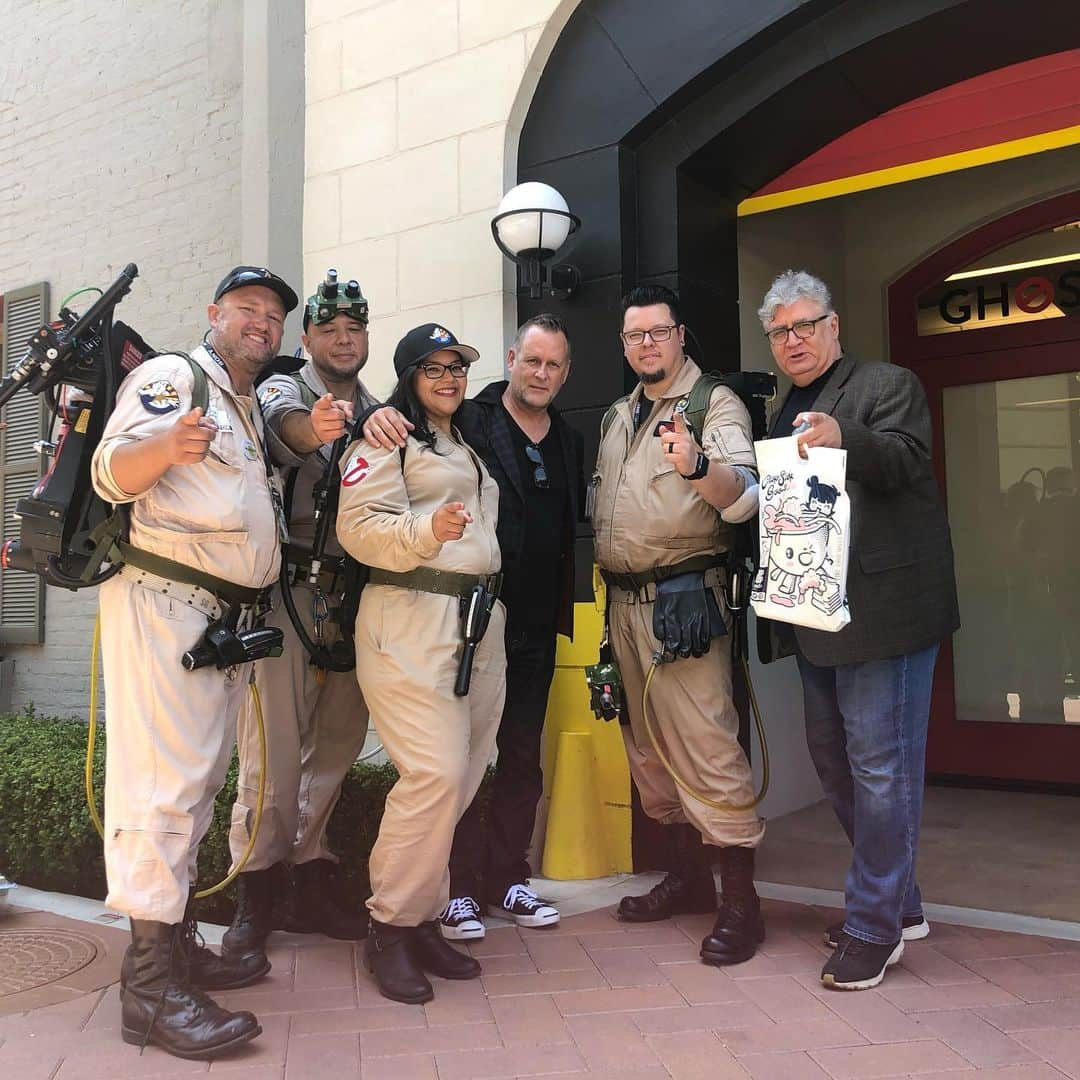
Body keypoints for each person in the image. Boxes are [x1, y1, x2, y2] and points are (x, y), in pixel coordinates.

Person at [90, 266, 299, 1058]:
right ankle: (146, 994)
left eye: (274, 315)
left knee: (198, 786)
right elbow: (113, 473)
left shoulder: (243, 403)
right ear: (214, 313)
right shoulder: (174, 376)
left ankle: (174, 952)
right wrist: (165, 445)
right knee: (163, 789)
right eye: (248, 309)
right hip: (166, 608)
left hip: (215, 623)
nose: (262, 323)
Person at [757, 268, 959, 990]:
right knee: (839, 765)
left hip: (887, 613)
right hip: (816, 613)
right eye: (780, 331)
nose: (794, 340)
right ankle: (900, 906)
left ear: (835, 327)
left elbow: (906, 460)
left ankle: (874, 926)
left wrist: (844, 436)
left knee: (881, 768)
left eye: (806, 325)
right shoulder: (783, 408)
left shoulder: (885, 384)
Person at [362, 313, 583, 940]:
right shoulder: (472, 419)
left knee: (518, 755)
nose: (541, 374)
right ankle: (453, 887)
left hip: (534, 621)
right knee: (453, 760)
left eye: (554, 365)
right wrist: (368, 415)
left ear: (566, 373)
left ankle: (509, 875)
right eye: (532, 360)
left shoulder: (568, 437)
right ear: (512, 359)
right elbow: (404, 416)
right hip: (465, 619)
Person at [591, 283, 765, 967]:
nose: (646, 346)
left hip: (684, 603)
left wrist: (697, 464)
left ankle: (742, 906)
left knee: (708, 748)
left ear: (681, 334)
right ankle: (690, 877)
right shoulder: (614, 415)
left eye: (658, 333)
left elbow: (745, 497)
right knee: (649, 752)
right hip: (623, 605)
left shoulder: (711, 404)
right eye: (634, 336)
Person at [336, 323, 506, 1004]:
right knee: (433, 772)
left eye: (457, 368)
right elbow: (359, 528)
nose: (449, 379)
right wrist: (425, 530)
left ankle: (424, 913)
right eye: (434, 369)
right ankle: (389, 927)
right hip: (412, 617)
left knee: (460, 777)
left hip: (477, 620)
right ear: (409, 377)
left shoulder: (463, 440)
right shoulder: (386, 438)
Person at [222, 273, 377, 972]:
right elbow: (284, 431)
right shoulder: (287, 386)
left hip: (354, 598)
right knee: (272, 756)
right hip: (288, 592)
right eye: (329, 328)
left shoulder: (381, 407)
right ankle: (253, 897)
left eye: (354, 328)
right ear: (309, 337)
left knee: (337, 748)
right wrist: (313, 429)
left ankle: (310, 880)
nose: (343, 339)